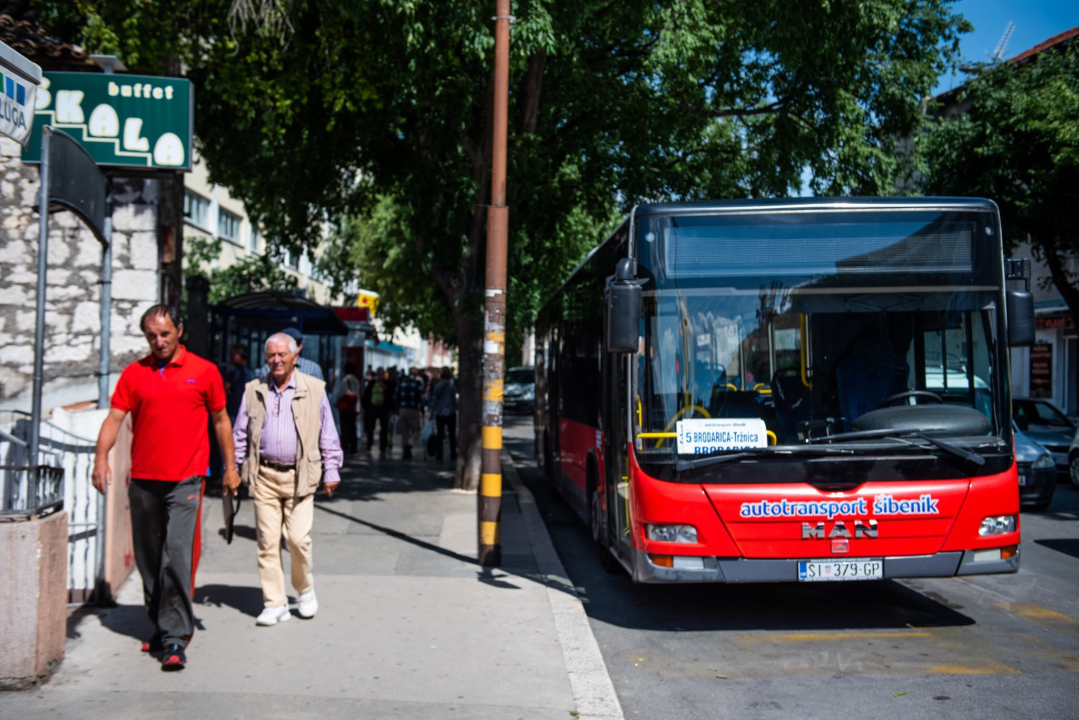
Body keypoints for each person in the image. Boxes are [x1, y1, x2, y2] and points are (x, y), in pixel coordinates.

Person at [91, 305, 240, 672]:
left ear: (180, 331)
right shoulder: (134, 373)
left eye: (165, 334)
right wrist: (100, 458)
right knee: (148, 558)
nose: (159, 341)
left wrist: (231, 468)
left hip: (186, 480)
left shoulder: (204, 371)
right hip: (143, 480)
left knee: (176, 554)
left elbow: (221, 420)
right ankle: (160, 623)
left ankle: (175, 636)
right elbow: (114, 417)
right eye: (152, 336)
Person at [232, 333, 343, 627]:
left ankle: (305, 590)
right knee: (267, 542)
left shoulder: (314, 389)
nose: (276, 360)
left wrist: (331, 471)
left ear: (295, 357)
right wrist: (232, 470)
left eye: (282, 355)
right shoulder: (253, 390)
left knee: (297, 540)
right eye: (271, 355)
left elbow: (328, 435)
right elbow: (239, 434)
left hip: (300, 477)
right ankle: (275, 602)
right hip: (265, 475)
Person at [256, 327, 324, 381]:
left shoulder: (313, 369)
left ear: (300, 346)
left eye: (282, 354)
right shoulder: (267, 369)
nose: (277, 360)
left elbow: (319, 394)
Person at [395, 367, 426, 459]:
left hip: (403, 409)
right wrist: (422, 409)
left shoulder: (402, 383)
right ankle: (410, 443)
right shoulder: (417, 384)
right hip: (413, 409)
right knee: (417, 429)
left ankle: (406, 452)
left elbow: (396, 397)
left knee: (404, 432)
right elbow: (421, 398)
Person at [429, 366, 458, 462]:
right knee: (451, 435)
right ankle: (453, 454)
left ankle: (439, 455)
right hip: (450, 412)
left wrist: (431, 413)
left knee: (440, 435)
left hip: (440, 413)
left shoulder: (437, 386)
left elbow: (434, 400)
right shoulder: (451, 386)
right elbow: (454, 400)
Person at [334, 362, 360, 453]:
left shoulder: (345, 379)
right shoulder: (356, 380)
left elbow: (341, 392)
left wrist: (336, 402)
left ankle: (345, 445)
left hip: (345, 407)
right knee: (353, 427)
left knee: (344, 427)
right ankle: (354, 446)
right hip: (353, 406)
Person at [362, 370, 391, 454]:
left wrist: (385, 388)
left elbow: (390, 396)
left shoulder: (386, 384)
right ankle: (369, 443)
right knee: (371, 427)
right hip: (373, 407)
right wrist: (366, 406)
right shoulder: (372, 383)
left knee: (384, 428)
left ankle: (383, 445)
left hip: (383, 408)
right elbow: (366, 395)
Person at [225, 343, 255, 422]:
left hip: (234, 409)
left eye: (233, 354)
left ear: (241, 355)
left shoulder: (235, 372)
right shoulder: (252, 372)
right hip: (247, 408)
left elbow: (225, 388)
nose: (231, 357)